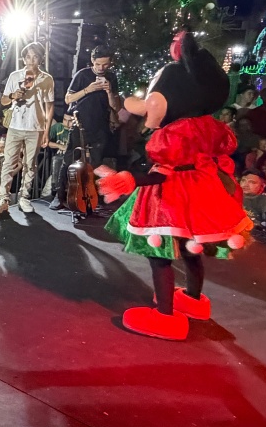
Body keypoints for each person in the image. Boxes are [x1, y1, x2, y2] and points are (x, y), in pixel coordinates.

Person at [100, 32, 253, 341]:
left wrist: (129, 179)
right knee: (191, 248)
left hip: (171, 199)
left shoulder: (173, 134)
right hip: (201, 195)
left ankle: (166, 317)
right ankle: (194, 301)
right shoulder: (209, 125)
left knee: (160, 256)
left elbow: (164, 173)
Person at [52, 46, 121, 210]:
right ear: (92, 61)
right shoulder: (82, 75)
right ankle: (59, 196)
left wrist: (109, 91)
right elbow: (68, 99)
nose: (101, 68)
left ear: (110, 63)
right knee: (69, 160)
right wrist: (88, 89)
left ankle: (94, 197)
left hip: (101, 126)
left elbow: (116, 107)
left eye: (105, 64)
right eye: (98, 64)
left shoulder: (111, 77)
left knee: (96, 163)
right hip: (80, 124)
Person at [0, 43, 54, 215]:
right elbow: (4, 100)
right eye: (28, 57)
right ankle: (3, 199)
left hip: (36, 126)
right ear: (24, 58)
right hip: (15, 125)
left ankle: (24, 197)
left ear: (40, 59)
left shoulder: (47, 79)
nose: (31, 60)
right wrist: (14, 95)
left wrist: (47, 131)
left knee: (30, 164)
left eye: (35, 57)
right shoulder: (15, 76)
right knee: (8, 162)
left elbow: (49, 105)